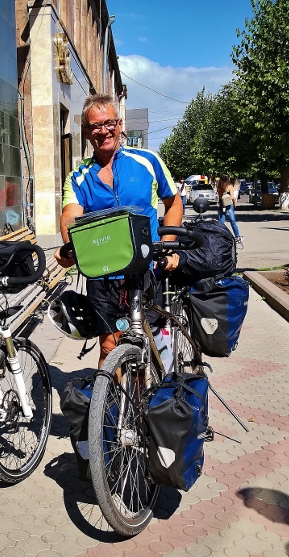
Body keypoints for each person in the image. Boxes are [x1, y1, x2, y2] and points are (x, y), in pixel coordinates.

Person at [53, 94, 184, 368]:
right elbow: (70, 217)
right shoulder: (78, 177)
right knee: (109, 345)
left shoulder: (148, 161)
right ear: (87, 133)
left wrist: (167, 244)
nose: (104, 131)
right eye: (95, 126)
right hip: (103, 273)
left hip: (146, 269)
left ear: (119, 124)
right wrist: (71, 249)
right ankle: (112, 409)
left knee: (149, 343)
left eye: (109, 122)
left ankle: (149, 401)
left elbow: (174, 203)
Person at [217, 173, 241, 240]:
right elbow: (232, 197)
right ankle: (237, 236)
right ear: (227, 179)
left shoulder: (219, 185)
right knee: (232, 220)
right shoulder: (229, 186)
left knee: (221, 221)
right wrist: (234, 202)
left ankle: (220, 236)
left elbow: (219, 195)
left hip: (221, 203)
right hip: (228, 204)